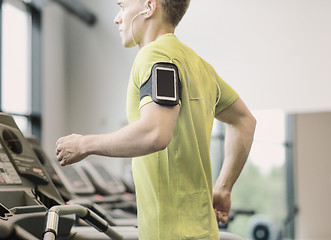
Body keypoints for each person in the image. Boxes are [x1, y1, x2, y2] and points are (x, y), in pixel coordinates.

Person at [55, 0, 256, 239]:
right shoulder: (201, 67)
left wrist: (83, 145)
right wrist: (223, 188)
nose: (117, 18)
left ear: (149, 7)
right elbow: (245, 121)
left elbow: (155, 133)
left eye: (122, 6)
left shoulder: (154, 55)